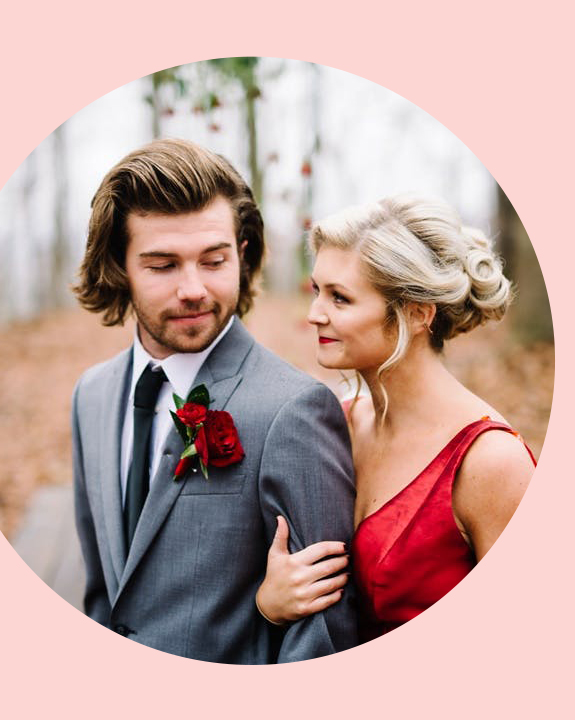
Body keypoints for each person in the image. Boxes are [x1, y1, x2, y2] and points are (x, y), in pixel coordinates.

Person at [69, 139, 358, 663]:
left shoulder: (294, 410)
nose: (194, 289)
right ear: (119, 264)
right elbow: (101, 595)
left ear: (242, 255)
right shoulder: (90, 396)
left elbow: (324, 634)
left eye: (214, 260)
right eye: (162, 266)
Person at [255, 195, 536, 640]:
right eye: (317, 291)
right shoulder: (337, 424)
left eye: (340, 299)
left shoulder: (492, 464)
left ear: (417, 313)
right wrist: (270, 603)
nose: (314, 315)